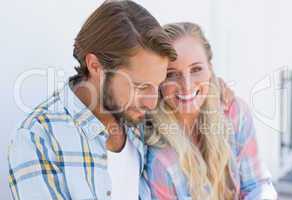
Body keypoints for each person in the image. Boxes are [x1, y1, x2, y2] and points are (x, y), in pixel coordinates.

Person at [8, 1, 176, 199]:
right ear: (95, 66)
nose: (152, 103)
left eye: (157, 85)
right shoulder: (38, 137)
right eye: (140, 86)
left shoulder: (135, 118)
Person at [145, 22, 277, 200]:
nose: (186, 85)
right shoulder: (160, 156)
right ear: (159, 80)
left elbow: (257, 185)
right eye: (171, 74)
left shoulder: (234, 113)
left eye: (196, 69)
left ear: (210, 69)